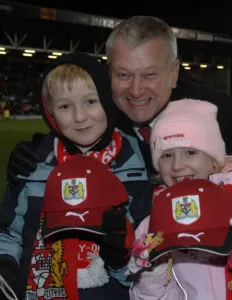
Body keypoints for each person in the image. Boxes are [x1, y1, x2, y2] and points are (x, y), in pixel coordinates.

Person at [6, 16, 232, 225]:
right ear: (109, 74)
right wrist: (29, 153)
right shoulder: (97, 115)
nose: (135, 91)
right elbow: (61, 141)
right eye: (123, 75)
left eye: (149, 75)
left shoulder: (215, 111)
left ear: (173, 74)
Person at [0, 53, 153, 300]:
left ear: (107, 100)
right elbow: (8, 230)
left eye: (91, 102)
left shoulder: (138, 168)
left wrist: (121, 258)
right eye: (65, 106)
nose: (80, 117)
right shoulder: (32, 166)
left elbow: (152, 265)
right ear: (50, 114)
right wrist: (6, 268)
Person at [127, 99, 232, 300]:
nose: (177, 166)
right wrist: (151, 276)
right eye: (166, 156)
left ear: (214, 159)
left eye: (190, 152)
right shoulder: (154, 223)